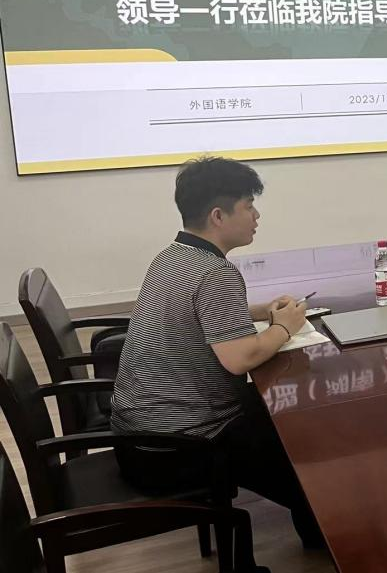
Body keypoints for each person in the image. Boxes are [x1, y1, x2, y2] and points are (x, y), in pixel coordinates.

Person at [111, 156, 325, 547]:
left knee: (286, 419)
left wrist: (262, 312)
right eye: (248, 206)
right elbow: (240, 359)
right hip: (180, 447)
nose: (256, 216)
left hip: (141, 435)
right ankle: (328, 532)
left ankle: (316, 525)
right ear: (218, 216)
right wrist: (284, 327)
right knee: (305, 450)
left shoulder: (174, 256)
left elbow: (200, 314)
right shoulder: (215, 273)